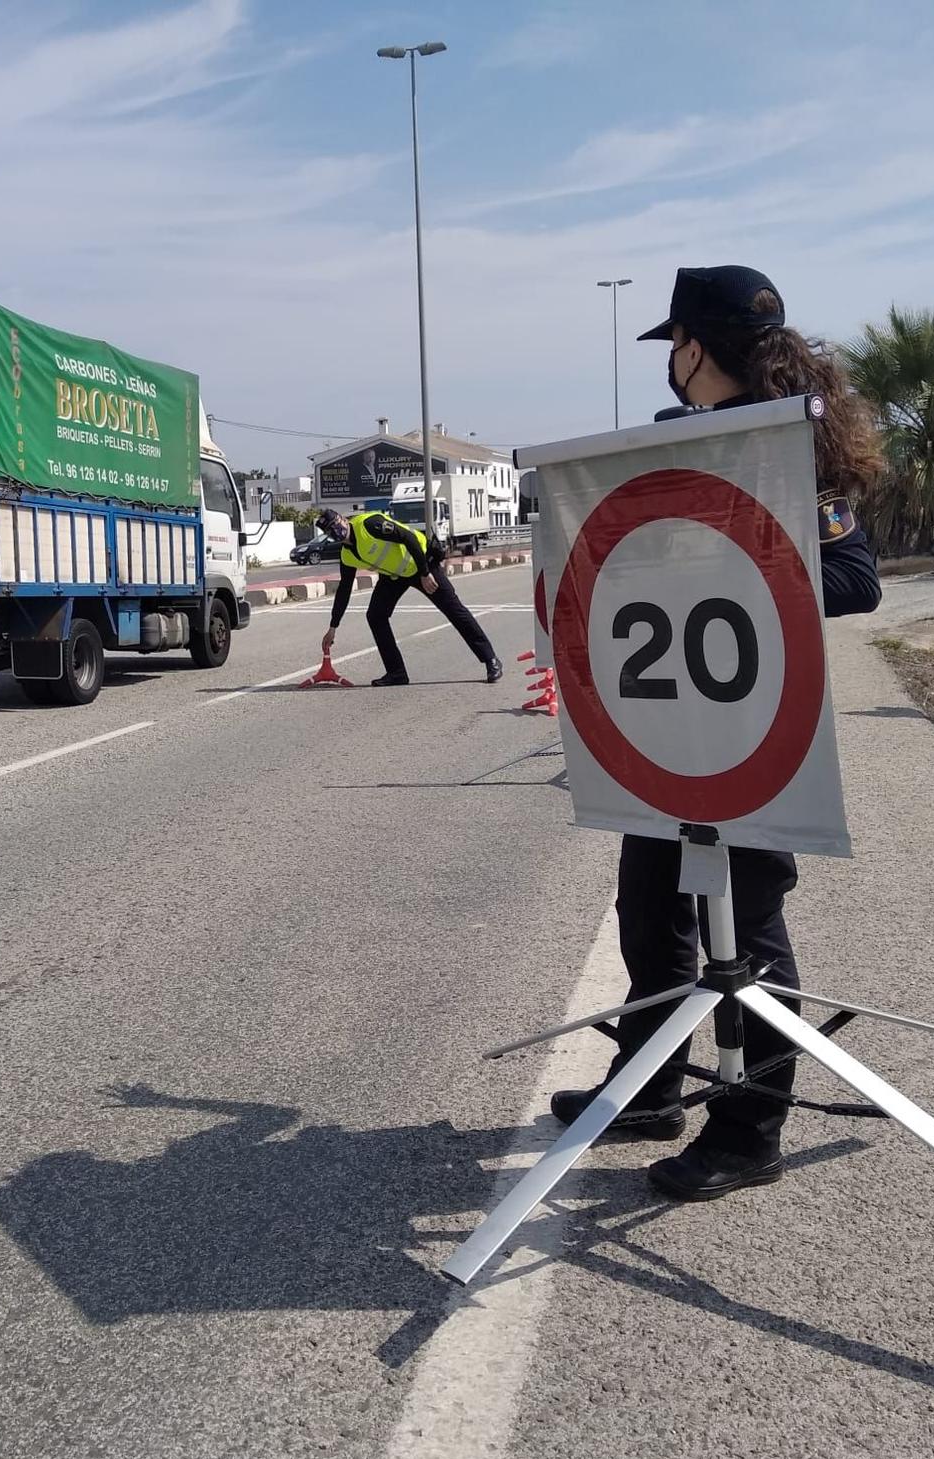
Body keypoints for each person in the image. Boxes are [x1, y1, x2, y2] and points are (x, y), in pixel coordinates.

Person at [547, 264, 885, 1203]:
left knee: (750, 930)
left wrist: (741, 574)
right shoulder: (657, 449)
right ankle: (651, 1087)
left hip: (749, 731)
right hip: (663, 731)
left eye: (674, 346)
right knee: (650, 915)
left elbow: (857, 582)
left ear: (697, 348)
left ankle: (748, 1130)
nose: (671, 363)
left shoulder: (788, 451)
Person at [317, 507, 503, 685]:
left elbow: (408, 537)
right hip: (395, 576)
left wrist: (424, 573)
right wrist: (334, 626)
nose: (337, 531)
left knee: (453, 609)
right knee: (375, 616)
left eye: (337, 524)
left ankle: (490, 659)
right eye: (331, 531)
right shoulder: (346, 556)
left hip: (421, 562)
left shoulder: (369, 524)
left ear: (343, 519)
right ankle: (396, 673)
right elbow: (344, 589)